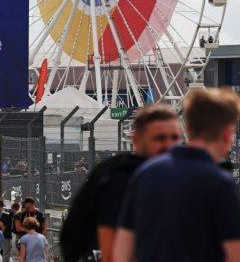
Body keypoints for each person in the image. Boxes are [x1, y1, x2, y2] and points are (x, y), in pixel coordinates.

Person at [115, 88, 240, 262]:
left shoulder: (145, 174)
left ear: (187, 127)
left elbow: (122, 252)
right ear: (226, 133)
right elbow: (239, 256)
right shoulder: (220, 183)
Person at [60, 103, 181, 262]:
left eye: (175, 138)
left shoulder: (176, 175)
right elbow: (112, 254)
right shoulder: (121, 178)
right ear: (136, 140)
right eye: (159, 138)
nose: (169, 146)